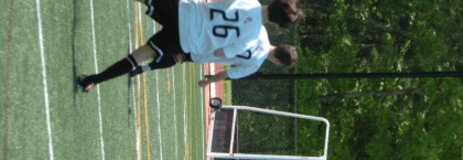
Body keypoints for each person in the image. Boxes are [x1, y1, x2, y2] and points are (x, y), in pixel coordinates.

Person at [77, 0, 303, 92]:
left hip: (185, 12)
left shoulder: (249, 2)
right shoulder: (252, 37)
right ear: (278, 24)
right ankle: (93, 80)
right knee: (138, 56)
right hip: (187, 40)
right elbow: (220, 52)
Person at [129, 27, 298, 86]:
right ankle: (142, 68)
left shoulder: (260, 30)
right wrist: (208, 82)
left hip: (207, 35)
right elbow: (225, 74)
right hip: (204, 54)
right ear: (277, 61)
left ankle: (139, 60)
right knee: (178, 57)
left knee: (171, 41)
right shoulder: (254, 65)